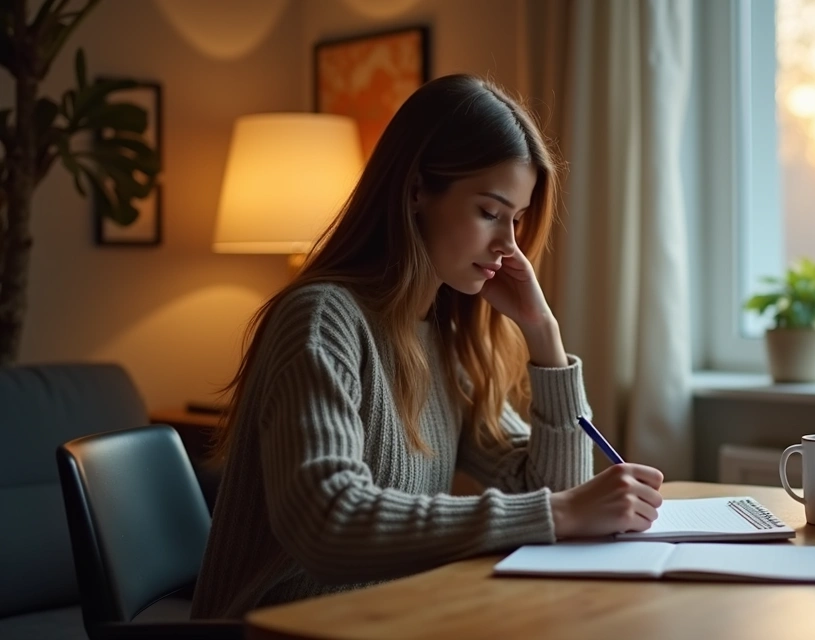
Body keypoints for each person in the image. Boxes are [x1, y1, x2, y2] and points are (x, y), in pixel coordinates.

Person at [190, 74, 665, 619]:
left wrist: (544, 335)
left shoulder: (442, 336)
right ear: (417, 190)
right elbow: (328, 522)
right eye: (489, 212)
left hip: (388, 619)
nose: (508, 247)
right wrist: (557, 513)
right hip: (285, 629)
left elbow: (557, 487)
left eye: (516, 220)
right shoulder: (323, 319)